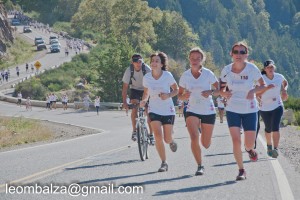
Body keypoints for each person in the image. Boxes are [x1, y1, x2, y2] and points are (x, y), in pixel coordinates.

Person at [220, 41, 272, 181]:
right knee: (236, 140)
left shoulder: (252, 69)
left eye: (242, 52)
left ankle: (249, 150)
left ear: (246, 54)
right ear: (231, 54)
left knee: (248, 143)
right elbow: (221, 89)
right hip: (232, 109)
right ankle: (241, 170)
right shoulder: (226, 70)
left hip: (250, 109)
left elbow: (263, 85)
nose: (238, 55)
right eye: (236, 52)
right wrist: (224, 94)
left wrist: (253, 91)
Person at [178, 47, 220, 176]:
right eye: (192, 58)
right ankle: (200, 165)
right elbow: (179, 95)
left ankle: (202, 130)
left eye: (198, 58)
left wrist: (211, 92)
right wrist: (183, 97)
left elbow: (219, 90)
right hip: (192, 110)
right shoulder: (185, 76)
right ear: (189, 60)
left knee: (206, 144)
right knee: (194, 137)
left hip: (208, 110)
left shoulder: (208, 74)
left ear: (202, 60)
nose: (195, 60)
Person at [140, 52, 178, 172]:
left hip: (168, 109)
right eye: (152, 61)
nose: (154, 63)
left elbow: (176, 90)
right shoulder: (147, 77)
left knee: (167, 138)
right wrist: (144, 101)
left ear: (162, 64)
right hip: (154, 109)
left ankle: (171, 141)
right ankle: (164, 162)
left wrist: (168, 95)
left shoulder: (167, 75)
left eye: (157, 61)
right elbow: (146, 93)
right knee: (157, 136)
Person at [257, 59, 288, 158]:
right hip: (265, 107)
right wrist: (266, 88)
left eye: (271, 67)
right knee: (268, 128)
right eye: (268, 67)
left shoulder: (279, 76)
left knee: (275, 127)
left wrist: (284, 90)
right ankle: (269, 145)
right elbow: (257, 94)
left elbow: (285, 82)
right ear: (264, 69)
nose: (270, 69)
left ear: (274, 67)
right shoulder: (261, 79)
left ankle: (275, 149)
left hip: (277, 105)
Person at [122, 53, 155, 145]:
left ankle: (151, 135)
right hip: (135, 90)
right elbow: (125, 88)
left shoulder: (147, 69)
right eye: (136, 61)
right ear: (132, 63)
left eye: (140, 61)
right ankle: (134, 131)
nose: (138, 63)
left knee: (149, 112)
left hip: (147, 90)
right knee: (134, 109)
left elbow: (153, 84)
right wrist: (125, 102)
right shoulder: (129, 70)